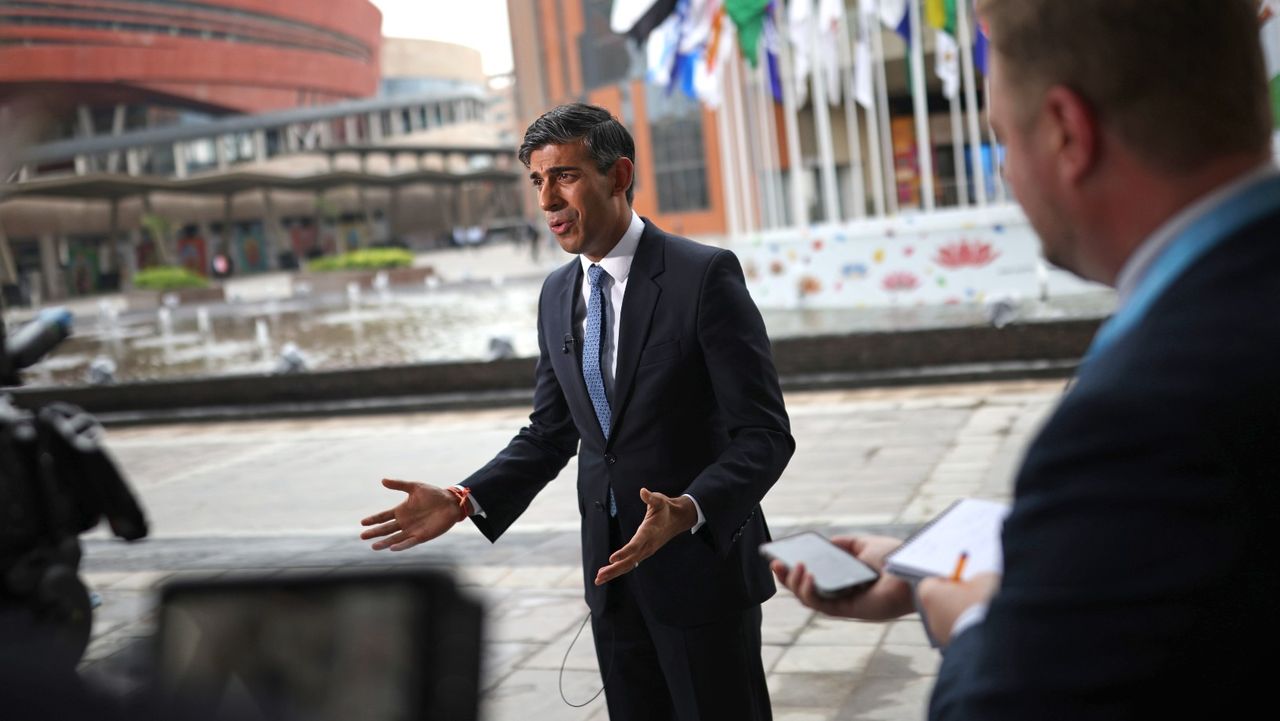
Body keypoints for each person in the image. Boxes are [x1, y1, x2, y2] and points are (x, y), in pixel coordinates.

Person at [773, 1, 1280, 719]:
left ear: (1068, 132)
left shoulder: (1145, 410)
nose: (1007, 175)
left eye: (1002, 139)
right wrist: (926, 568)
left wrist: (972, 615)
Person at [360, 103, 793, 720]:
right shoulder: (558, 293)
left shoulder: (703, 276)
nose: (546, 200)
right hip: (611, 581)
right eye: (537, 181)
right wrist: (463, 499)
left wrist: (692, 507)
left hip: (701, 572)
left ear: (618, 176)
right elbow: (552, 432)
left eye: (563, 176)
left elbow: (765, 434)